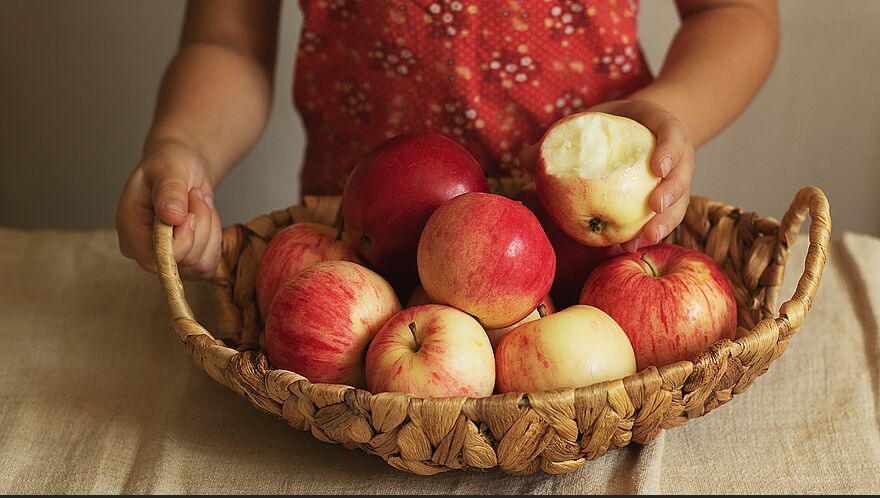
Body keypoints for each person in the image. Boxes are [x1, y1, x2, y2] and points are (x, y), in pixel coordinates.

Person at [116, 0, 779, 279]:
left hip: (591, 267)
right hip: (363, 263)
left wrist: (664, 112)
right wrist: (186, 147)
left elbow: (734, 13)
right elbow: (225, 39)